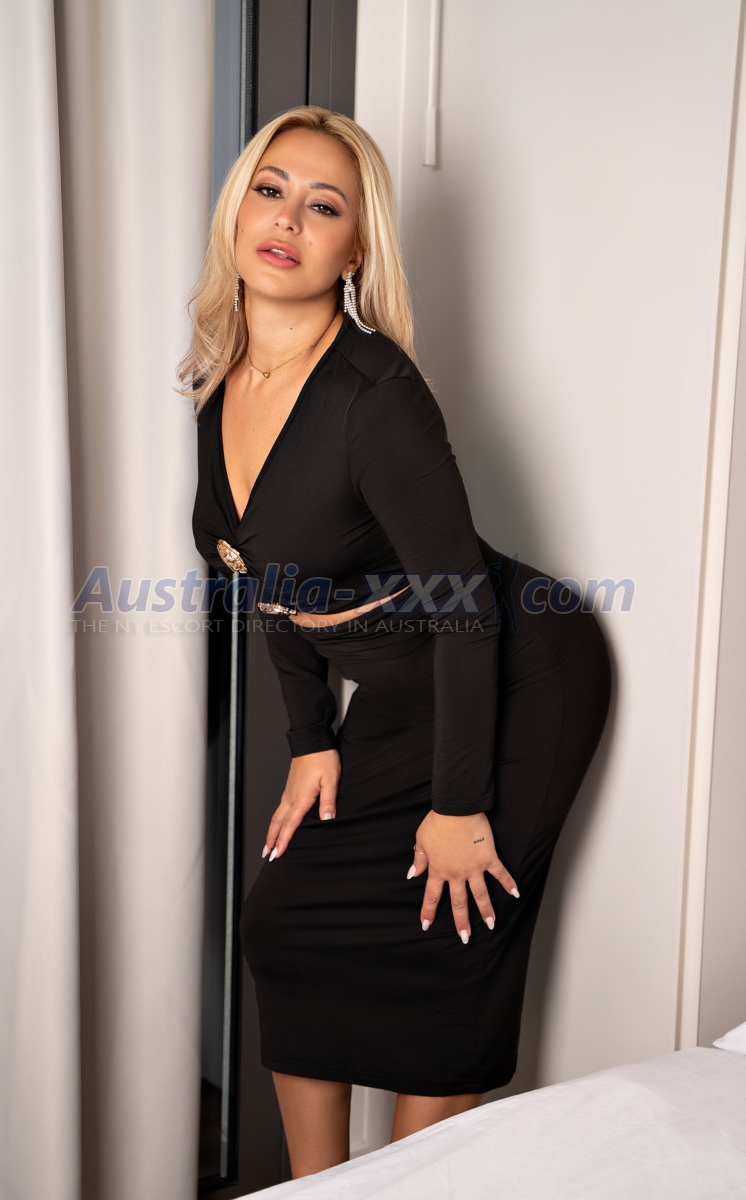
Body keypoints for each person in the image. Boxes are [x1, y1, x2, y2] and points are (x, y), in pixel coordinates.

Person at [181, 105, 611, 1179]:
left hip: (519, 668)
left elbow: (464, 608)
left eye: (323, 206)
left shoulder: (375, 397)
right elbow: (264, 577)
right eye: (270, 189)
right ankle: (320, 1190)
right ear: (237, 212)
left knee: (450, 937)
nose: (288, 218)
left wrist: (458, 806)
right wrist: (310, 737)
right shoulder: (220, 388)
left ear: (355, 252)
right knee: (287, 922)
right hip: (404, 692)